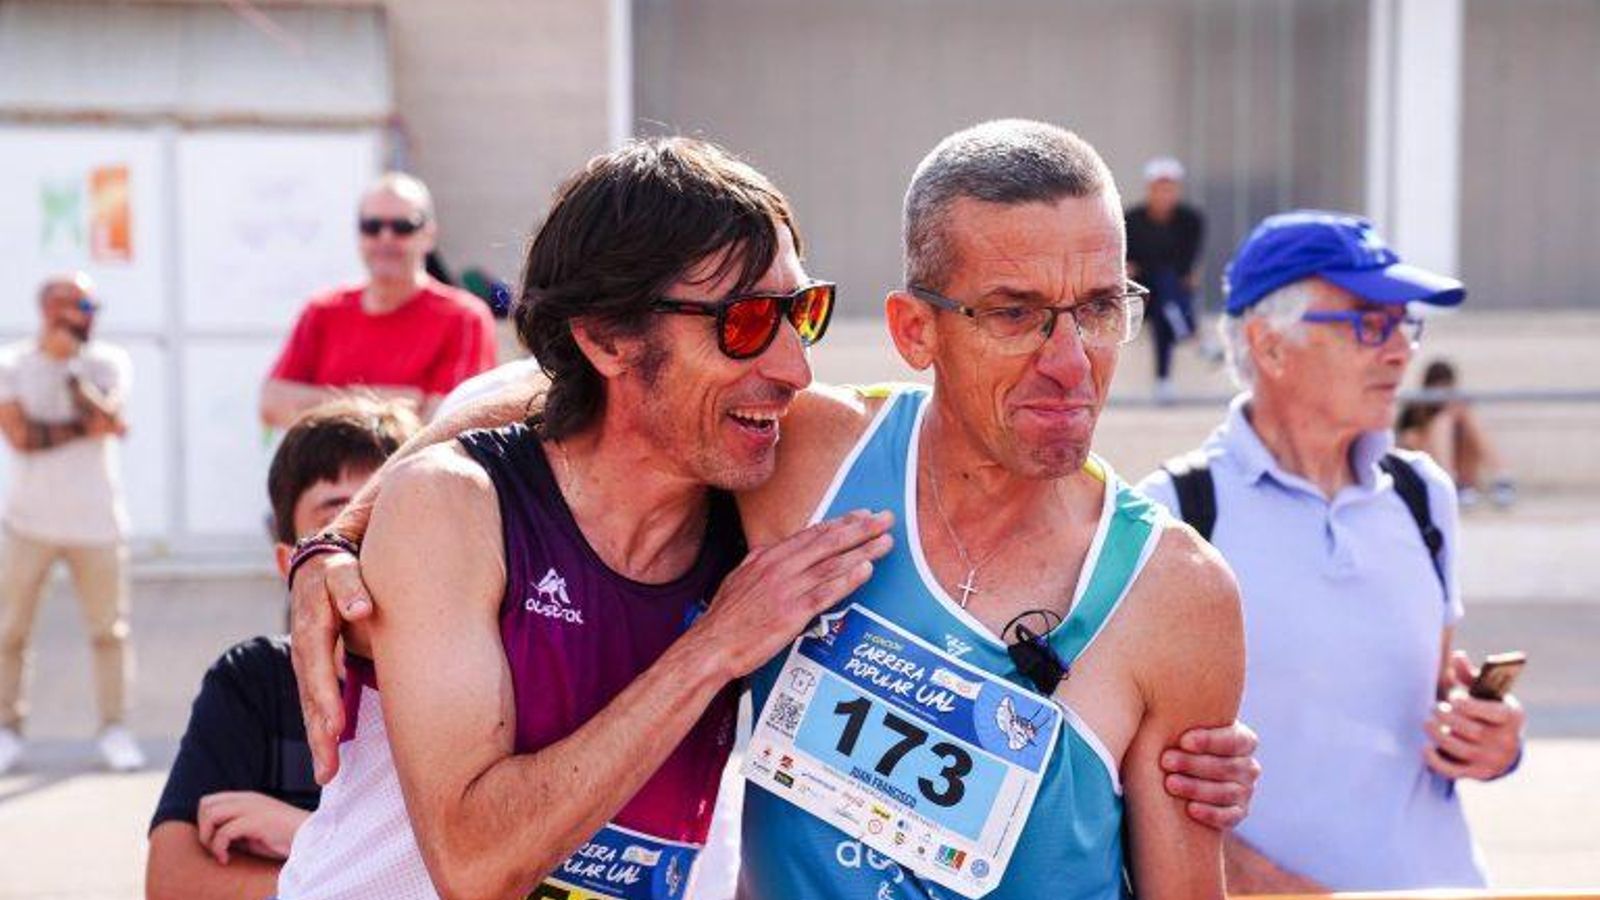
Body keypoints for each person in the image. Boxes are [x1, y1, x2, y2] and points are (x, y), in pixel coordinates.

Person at [284, 130, 1258, 899]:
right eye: (1012, 313)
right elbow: (534, 391)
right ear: (916, 329)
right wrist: (338, 535)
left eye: (1097, 307)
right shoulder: (770, 472)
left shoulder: (1170, 589)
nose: (794, 370)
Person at [1138, 211, 1526, 891]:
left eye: (1405, 323)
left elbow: (1430, 704)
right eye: (1368, 323)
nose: (1401, 351)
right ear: (1270, 346)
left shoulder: (1422, 496)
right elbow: (1137, 789)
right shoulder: (1173, 516)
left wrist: (1493, 742)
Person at [146, 396, 419, 900]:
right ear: (291, 561)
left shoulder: (475, 681)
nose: (358, 539)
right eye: (336, 519)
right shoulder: (252, 679)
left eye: (383, 511)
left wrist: (304, 836)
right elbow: (174, 882)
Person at [0, 272, 141, 774]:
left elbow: (111, 422)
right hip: (28, 522)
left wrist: (72, 373)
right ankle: (7, 729)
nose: (88, 316)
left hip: (96, 522)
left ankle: (114, 728)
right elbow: (20, 437)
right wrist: (80, 427)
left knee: (110, 631)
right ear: (48, 309)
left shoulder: (106, 362)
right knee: (10, 630)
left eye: (91, 306)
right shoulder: (13, 363)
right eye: (78, 306)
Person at [259, 172, 497, 428]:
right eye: (372, 227)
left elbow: (444, 424)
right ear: (359, 235)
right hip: (323, 470)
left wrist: (319, 405)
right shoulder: (322, 310)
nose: (386, 238)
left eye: (403, 226)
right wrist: (393, 400)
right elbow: (272, 404)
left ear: (429, 235)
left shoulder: (464, 317)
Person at [1125, 156, 1204, 403]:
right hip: (1142, 292)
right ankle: (1187, 330)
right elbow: (1129, 262)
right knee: (1161, 287)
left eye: (1169, 188)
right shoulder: (1132, 219)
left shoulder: (1190, 220)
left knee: (1164, 297)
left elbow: (1187, 263)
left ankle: (1163, 379)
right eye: (1159, 188)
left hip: (1173, 290)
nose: (1164, 194)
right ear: (1150, 189)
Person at [1397, 358, 1515, 508]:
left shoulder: (1458, 410)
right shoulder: (1416, 408)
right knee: (1438, 424)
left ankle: (1501, 476)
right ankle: (1451, 482)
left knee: (1464, 416)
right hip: (1432, 466)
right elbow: (1403, 442)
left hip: (1461, 466)